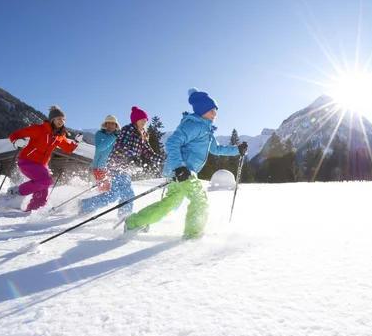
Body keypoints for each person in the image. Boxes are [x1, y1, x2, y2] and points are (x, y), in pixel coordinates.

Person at [124, 88, 248, 238]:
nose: (215, 114)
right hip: (182, 171)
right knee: (199, 200)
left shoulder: (207, 130)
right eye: (211, 111)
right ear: (202, 111)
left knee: (169, 204)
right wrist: (179, 167)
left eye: (215, 110)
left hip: (183, 172)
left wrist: (237, 150)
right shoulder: (194, 126)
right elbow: (172, 142)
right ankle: (192, 236)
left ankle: (134, 222)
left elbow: (215, 148)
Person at [79, 106, 163, 220]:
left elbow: (148, 153)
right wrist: (131, 154)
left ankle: (86, 205)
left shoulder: (143, 134)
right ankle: (125, 216)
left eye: (146, 119)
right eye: (142, 119)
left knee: (113, 196)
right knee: (126, 193)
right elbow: (119, 146)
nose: (145, 121)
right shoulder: (128, 129)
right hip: (116, 164)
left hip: (124, 167)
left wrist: (162, 161)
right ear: (136, 120)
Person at [8, 105, 82, 212]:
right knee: (45, 181)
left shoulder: (59, 136)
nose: (62, 121)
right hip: (27, 160)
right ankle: (17, 191)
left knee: (43, 188)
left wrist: (76, 142)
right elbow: (15, 134)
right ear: (52, 119)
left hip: (42, 164)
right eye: (59, 119)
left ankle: (35, 209)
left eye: (64, 119)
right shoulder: (38, 129)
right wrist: (15, 141)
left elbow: (67, 149)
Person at [92, 115, 121, 192]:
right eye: (108, 123)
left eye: (113, 123)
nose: (110, 125)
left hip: (113, 168)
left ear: (116, 125)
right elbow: (100, 147)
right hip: (99, 167)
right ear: (105, 124)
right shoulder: (100, 133)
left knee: (114, 190)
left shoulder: (119, 137)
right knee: (105, 191)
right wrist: (113, 136)